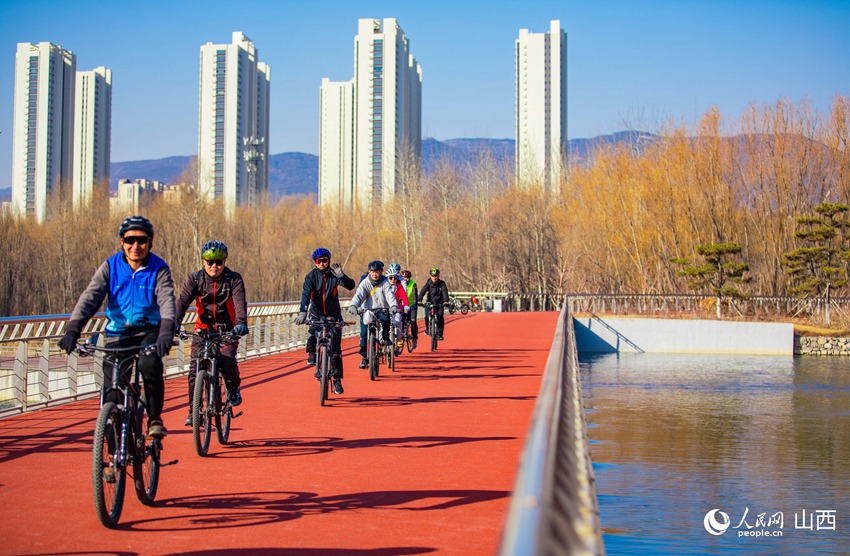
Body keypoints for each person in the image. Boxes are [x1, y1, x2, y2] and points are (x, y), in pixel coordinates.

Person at [57, 216, 175, 438]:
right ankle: (112, 449)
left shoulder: (159, 268)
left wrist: (166, 333)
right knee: (112, 392)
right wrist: (73, 330)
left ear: (150, 242)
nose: (135, 246)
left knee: (149, 362)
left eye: (141, 240)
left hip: (148, 331)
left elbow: (167, 300)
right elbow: (90, 298)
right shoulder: (110, 267)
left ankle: (154, 418)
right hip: (118, 333)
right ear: (122, 242)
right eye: (130, 240)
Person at [175, 240, 249, 426]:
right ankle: (193, 412)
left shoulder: (233, 279)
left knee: (227, 360)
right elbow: (182, 302)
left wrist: (241, 323)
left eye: (218, 262)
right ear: (203, 262)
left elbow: (240, 303)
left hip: (227, 330)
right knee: (195, 371)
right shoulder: (195, 279)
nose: (214, 266)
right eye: (210, 262)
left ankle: (233, 388)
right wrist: (173, 323)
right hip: (203, 331)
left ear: (224, 262)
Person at [294, 248, 356, 395]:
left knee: (336, 350)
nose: (321, 263)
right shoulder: (311, 277)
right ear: (315, 262)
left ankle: (337, 380)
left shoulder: (334, 274)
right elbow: (305, 295)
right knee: (312, 331)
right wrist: (303, 312)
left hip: (334, 315)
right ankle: (311, 353)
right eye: (318, 261)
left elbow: (351, 286)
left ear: (328, 260)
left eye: (324, 260)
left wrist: (342, 276)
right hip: (316, 313)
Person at [348, 260, 399, 369]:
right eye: (372, 272)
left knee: (386, 319)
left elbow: (390, 295)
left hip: (381, 308)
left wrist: (393, 306)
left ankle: (385, 338)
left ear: (380, 272)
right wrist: (353, 305)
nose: (374, 274)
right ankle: (364, 357)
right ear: (369, 272)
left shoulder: (385, 282)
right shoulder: (365, 282)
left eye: (376, 272)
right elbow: (359, 295)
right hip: (367, 310)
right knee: (363, 334)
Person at [417, 267, 450, 340]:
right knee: (426, 316)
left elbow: (445, 292)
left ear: (438, 276)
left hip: (439, 303)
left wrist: (445, 301)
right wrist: (419, 300)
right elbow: (422, 291)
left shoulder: (442, 284)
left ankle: (440, 334)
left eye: (436, 276)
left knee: (440, 317)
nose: (434, 277)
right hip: (430, 303)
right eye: (433, 276)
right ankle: (427, 329)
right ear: (430, 276)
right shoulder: (428, 283)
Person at [385, 263, 410, 354]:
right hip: (386, 308)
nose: (393, 280)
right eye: (390, 278)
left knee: (398, 321)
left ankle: (399, 339)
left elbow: (403, 295)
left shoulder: (399, 285)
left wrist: (406, 305)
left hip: (397, 308)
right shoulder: (383, 285)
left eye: (395, 278)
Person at [400, 269, 419, 349]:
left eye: (407, 278)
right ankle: (400, 339)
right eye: (404, 278)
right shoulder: (399, 284)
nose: (406, 279)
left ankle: (414, 338)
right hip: (402, 306)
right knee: (400, 322)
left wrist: (414, 305)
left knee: (413, 322)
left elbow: (415, 296)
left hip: (411, 306)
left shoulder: (413, 284)